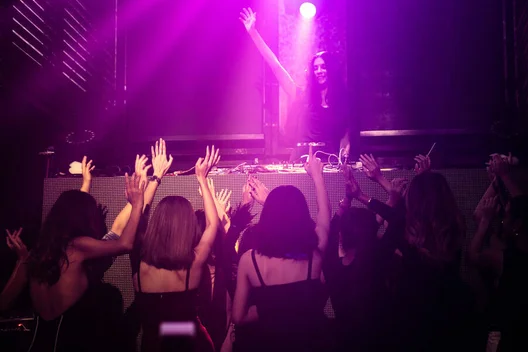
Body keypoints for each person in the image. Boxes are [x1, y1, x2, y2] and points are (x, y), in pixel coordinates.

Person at [5, 174, 145, 352]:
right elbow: (125, 244)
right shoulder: (78, 246)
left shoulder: (35, 255)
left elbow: (4, 303)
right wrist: (137, 204)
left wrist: (21, 260)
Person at [231, 145, 332, 351]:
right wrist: (317, 176)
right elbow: (324, 216)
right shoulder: (314, 256)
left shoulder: (250, 261)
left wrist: (272, 308)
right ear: (302, 216)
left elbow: (238, 317)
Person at [131, 145, 221, 352]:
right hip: (190, 344)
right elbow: (212, 225)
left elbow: (140, 217)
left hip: (153, 345)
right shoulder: (194, 263)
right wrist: (202, 179)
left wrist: (157, 177)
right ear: (187, 226)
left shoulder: (139, 262)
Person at [239, 7, 350, 160]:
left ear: (331, 70)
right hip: (302, 159)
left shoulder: (340, 101)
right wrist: (253, 33)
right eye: (316, 67)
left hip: (328, 160)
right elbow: (275, 66)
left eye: (323, 67)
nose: (319, 71)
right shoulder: (301, 94)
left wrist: (346, 146)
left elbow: (345, 131)